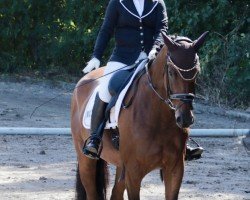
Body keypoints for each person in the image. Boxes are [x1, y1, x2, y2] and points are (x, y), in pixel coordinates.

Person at [82, 0, 203, 160]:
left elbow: (162, 29)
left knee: (170, 90)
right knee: (105, 90)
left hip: (151, 57)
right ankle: (95, 138)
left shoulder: (157, 3)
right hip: (122, 58)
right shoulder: (117, 3)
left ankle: (181, 143)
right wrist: (96, 56)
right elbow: (106, 30)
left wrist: (155, 48)